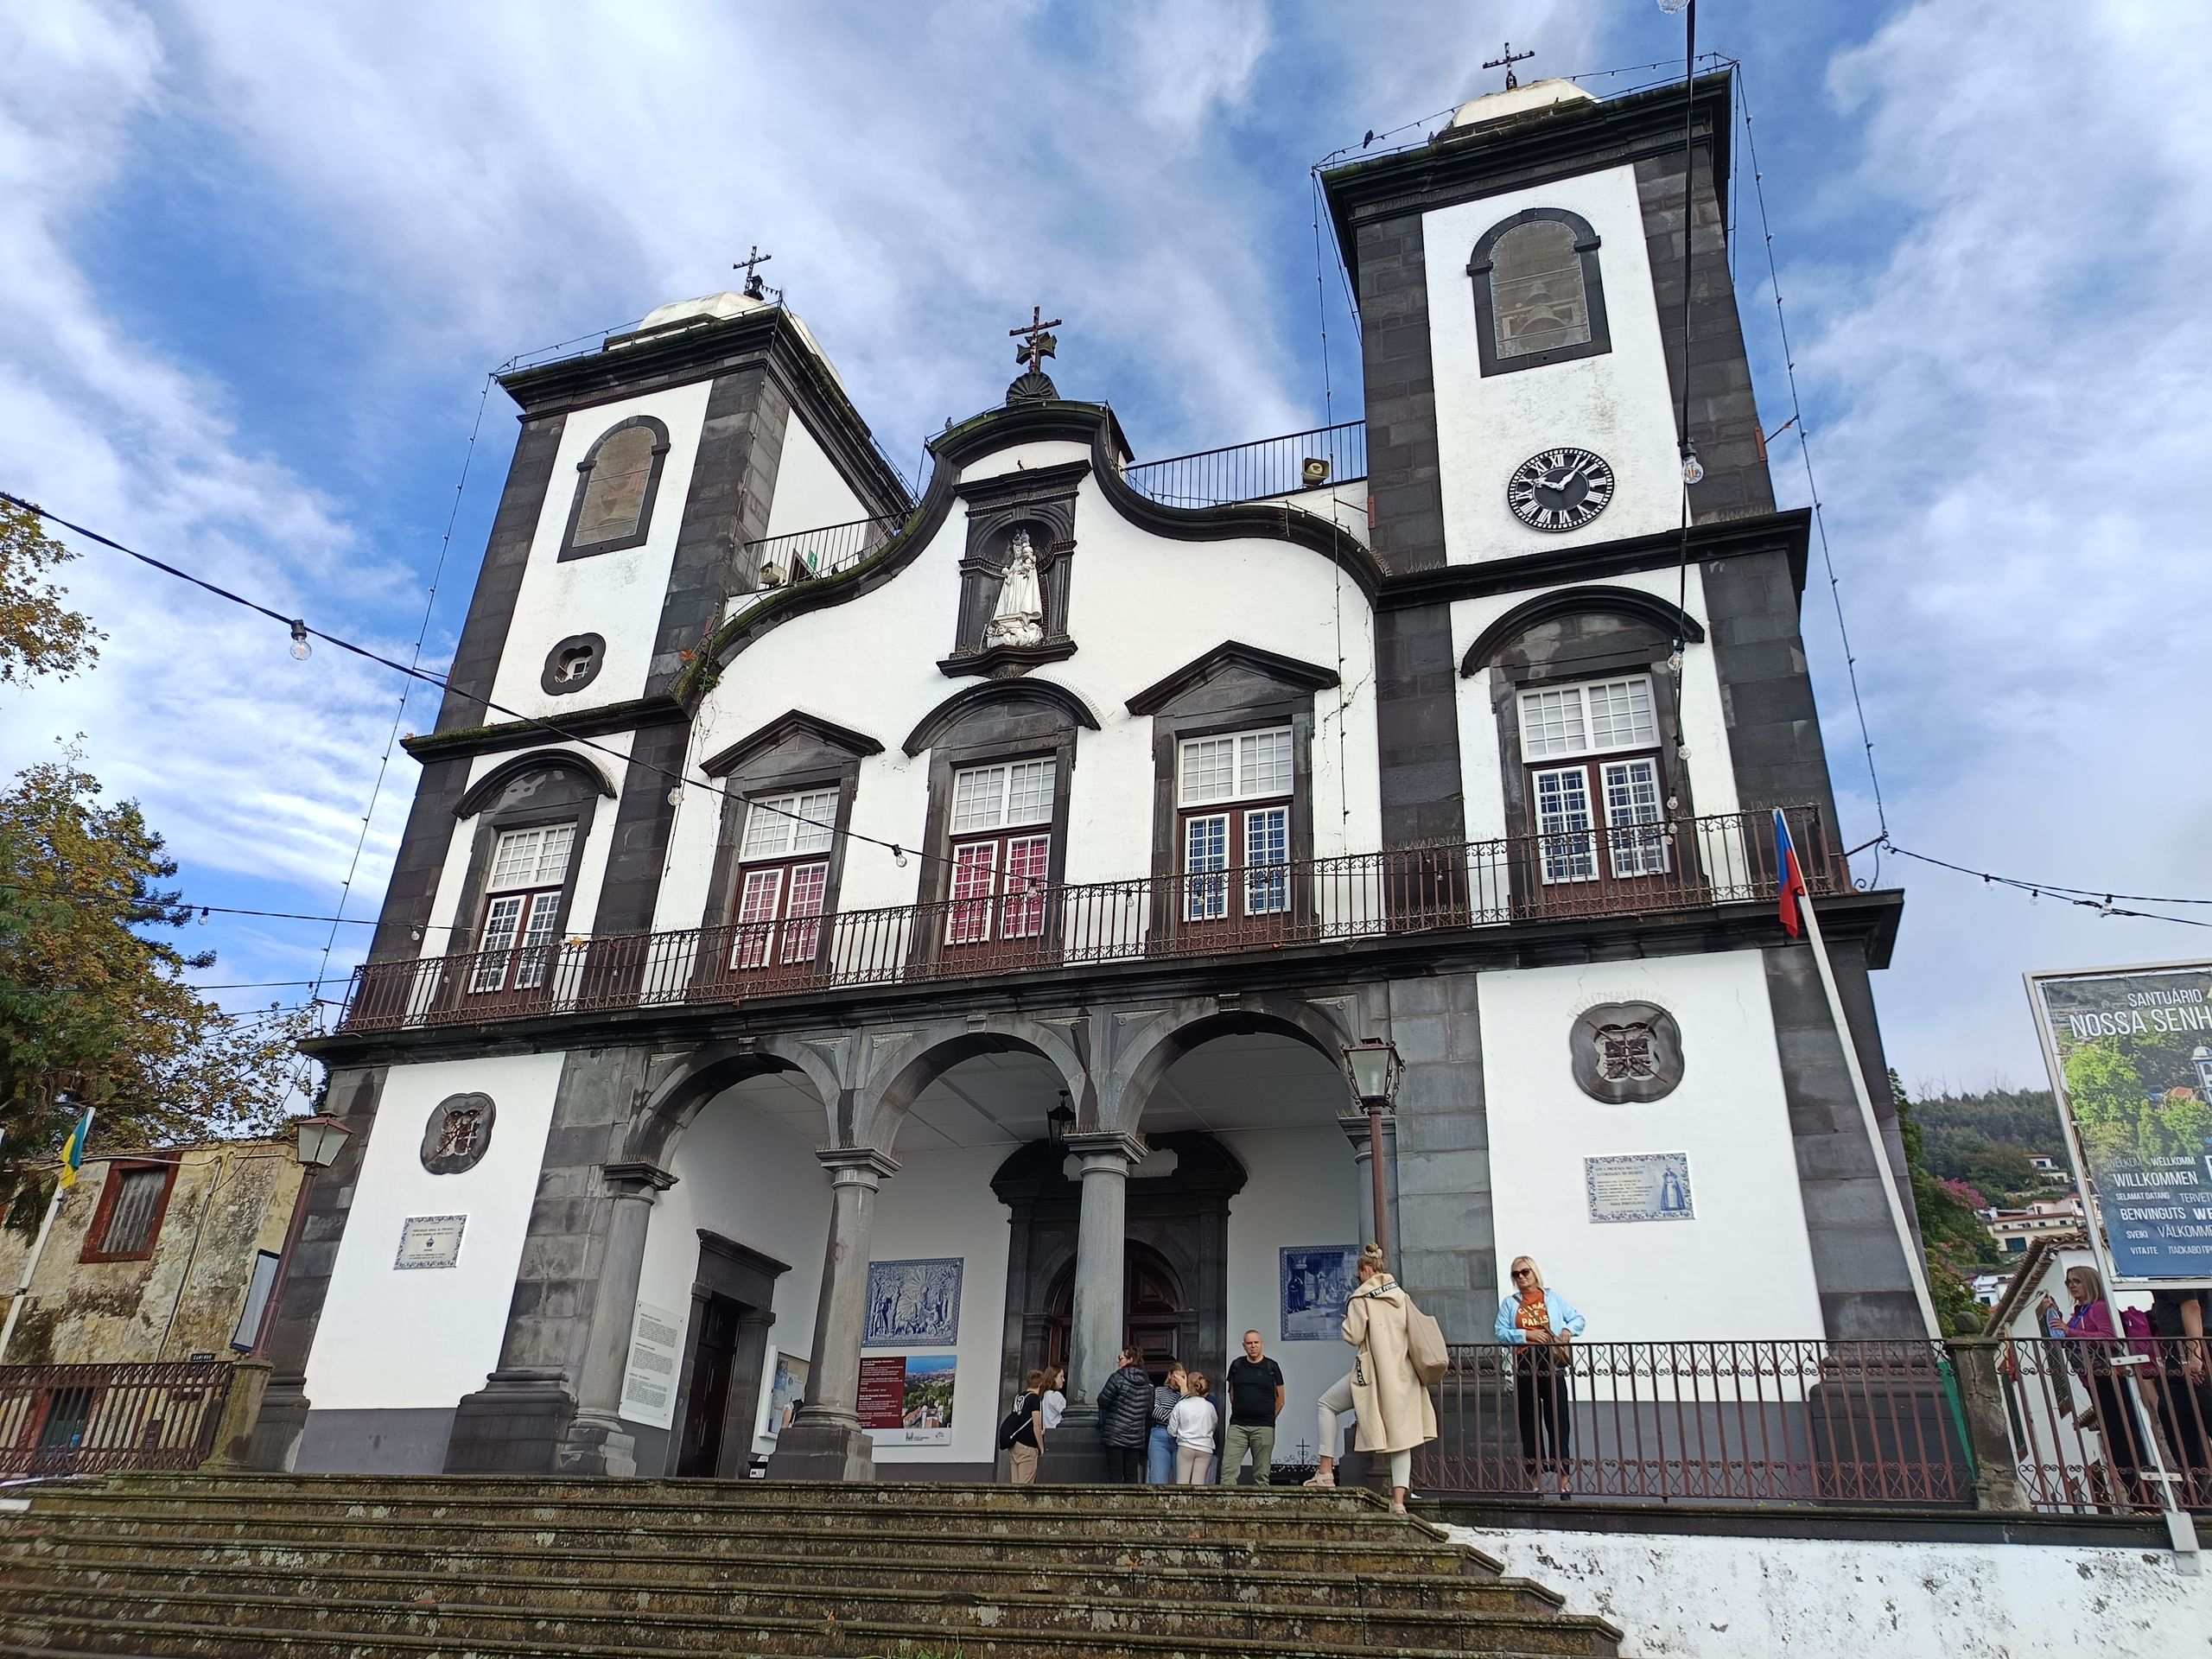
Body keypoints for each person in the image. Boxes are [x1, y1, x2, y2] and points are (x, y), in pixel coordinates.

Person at [1302, 1243, 1437, 1516]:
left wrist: (1346, 1321)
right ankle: (1398, 1502)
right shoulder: (1401, 1295)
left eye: (1358, 1274)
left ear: (1365, 1270)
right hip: (1403, 1375)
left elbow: (1353, 1336)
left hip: (1373, 1375)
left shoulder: (1361, 1297)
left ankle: (1325, 1472)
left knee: (1326, 1404)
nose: (1357, 1278)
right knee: (1403, 1438)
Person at [2039, 1265, 2152, 1503]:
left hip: (2110, 1377)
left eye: (2076, 1281)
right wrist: (2059, 1319)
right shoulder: (2078, 1313)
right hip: (2094, 1380)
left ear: (2089, 1282)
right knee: (2114, 1438)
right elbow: (2070, 1339)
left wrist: (2069, 1331)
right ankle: (2137, 1495)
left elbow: (2109, 1337)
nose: (2071, 1286)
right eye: (2069, 1282)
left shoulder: (2098, 1308)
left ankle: (2144, 1496)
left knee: (2123, 1436)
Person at [1493, 1255, 1585, 1495]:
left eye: (1525, 1272)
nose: (1521, 1277)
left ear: (1534, 1273)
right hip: (1525, 1361)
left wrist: (1567, 1330)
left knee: (1558, 1419)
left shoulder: (1552, 1298)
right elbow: (1500, 1331)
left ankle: (1564, 1480)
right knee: (1529, 1421)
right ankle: (1535, 1481)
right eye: (1516, 1274)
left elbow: (1578, 1319)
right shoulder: (1511, 1303)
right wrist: (1526, 1335)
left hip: (1551, 1361)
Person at [2149, 1284, 2212, 1497]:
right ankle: (2197, 1495)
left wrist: (2195, 1354)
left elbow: (2191, 1307)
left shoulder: (2173, 1272)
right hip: (2178, 1355)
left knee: (2190, 1415)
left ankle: (2198, 1492)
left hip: (2192, 1354)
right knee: (2176, 1417)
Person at [1223, 1330, 1285, 1487]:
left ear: (1261, 1344)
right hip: (1238, 1426)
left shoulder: (1272, 1367)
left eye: (1256, 1342)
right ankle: (1225, 1500)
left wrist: (1268, 1418)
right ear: (1244, 1346)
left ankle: (1262, 1501)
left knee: (1262, 1473)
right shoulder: (1236, 1365)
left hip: (1264, 1427)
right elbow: (1232, 1393)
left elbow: (1281, 1400)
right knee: (1228, 1470)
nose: (1253, 1346)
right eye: (1249, 1343)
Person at [1094, 1346, 1156, 1482]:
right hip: (1135, 1436)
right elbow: (1149, 1410)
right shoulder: (1148, 1384)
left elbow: (1102, 1401)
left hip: (1115, 1434)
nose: (1118, 1361)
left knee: (1115, 1473)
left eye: (1120, 1358)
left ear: (1130, 1360)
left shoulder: (1117, 1378)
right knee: (1131, 1473)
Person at [1169, 1371, 1217, 1484]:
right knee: (1199, 1483)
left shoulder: (1181, 1405)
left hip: (1186, 1445)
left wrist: (1178, 1434)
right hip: (1205, 1447)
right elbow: (1214, 1425)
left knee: (1182, 1482)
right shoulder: (1210, 1407)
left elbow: (1172, 1430)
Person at [1147, 1362, 1186, 1484]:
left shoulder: (1187, 1396)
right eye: (1176, 1377)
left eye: (1182, 1377)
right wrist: (1175, 1416)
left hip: (1179, 1437)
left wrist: (1184, 1390)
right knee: (1157, 1479)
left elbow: (1186, 1414)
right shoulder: (1159, 1391)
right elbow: (1155, 1411)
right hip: (1160, 1434)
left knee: (1181, 1480)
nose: (1178, 1381)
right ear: (1170, 1375)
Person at [1007, 1368, 1047, 1485]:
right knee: (1025, 1486)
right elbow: (1036, 1424)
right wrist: (1041, 1447)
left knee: (1015, 1485)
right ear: (1041, 1385)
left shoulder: (1018, 1397)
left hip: (1015, 1444)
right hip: (1027, 1446)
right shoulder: (1034, 1399)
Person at [1042, 1366, 1068, 1434]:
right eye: (1061, 1377)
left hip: (1047, 1433)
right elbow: (1067, 1414)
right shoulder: (1055, 1395)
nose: (1063, 1380)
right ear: (1054, 1378)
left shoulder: (1045, 1394)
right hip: (1058, 1433)